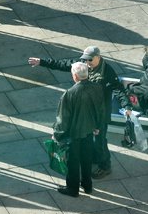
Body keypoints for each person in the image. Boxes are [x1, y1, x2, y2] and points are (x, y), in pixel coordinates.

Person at [29, 46, 133, 179]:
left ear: (98, 57)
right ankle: (95, 156)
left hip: (99, 113)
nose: (87, 62)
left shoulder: (107, 71)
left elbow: (118, 90)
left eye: (90, 59)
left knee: (100, 141)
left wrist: (127, 106)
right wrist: (43, 62)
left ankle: (105, 166)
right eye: (85, 59)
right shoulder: (83, 65)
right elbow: (64, 64)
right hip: (85, 111)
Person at [52, 62, 104, 197]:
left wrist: (57, 135)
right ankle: (87, 185)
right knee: (86, 159)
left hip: (73, 135)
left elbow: (63, 119)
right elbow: (100, 110)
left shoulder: (69, 94)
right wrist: (97, 126)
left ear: (75, 76)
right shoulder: (97, 88)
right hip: (88, 131)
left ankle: (72, 189)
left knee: (73, 162)